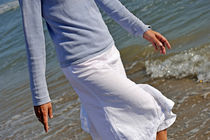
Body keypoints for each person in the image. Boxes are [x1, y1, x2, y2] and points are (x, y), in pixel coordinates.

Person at [18, 0, 176, 139]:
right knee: (151, 107)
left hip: (110, 53)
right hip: (83, 66)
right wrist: (40, 95)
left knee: (107, 130)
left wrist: (142, 30)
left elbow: (109, 2)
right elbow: (34, 37)